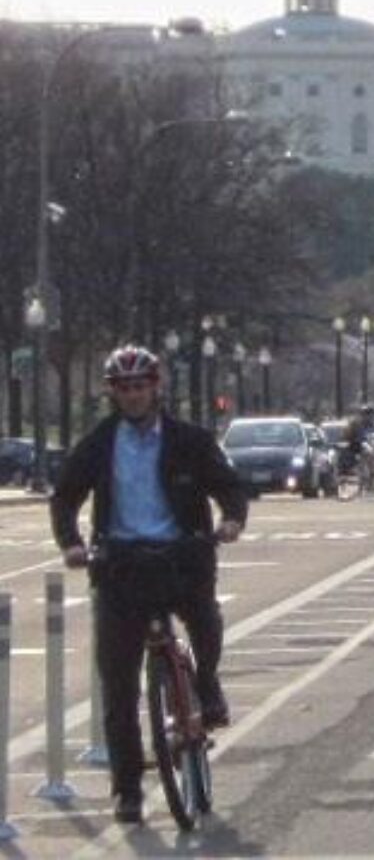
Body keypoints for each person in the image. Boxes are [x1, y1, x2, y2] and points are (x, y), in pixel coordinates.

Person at [50, 345, 247, 825]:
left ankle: (206, 683)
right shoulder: (99, 442)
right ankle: (128, 791)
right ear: (112, 393)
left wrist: (231, 521)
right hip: (120, 563)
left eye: (141, 386)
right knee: (117, 686)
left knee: (205, 618)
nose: (134, 395)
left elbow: (228, 486)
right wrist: (72, 543)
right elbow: (65, 496)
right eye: (124, 388)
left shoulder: (189, 440)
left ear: (157, 388)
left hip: (182, 556)